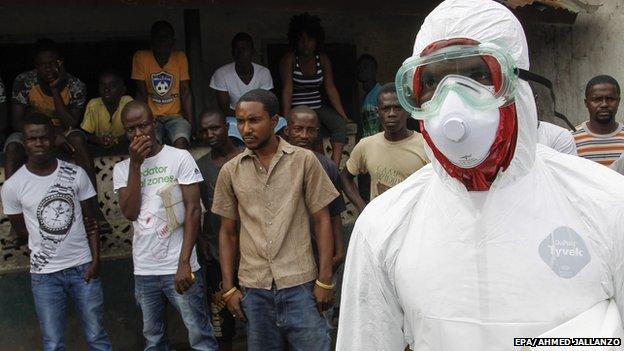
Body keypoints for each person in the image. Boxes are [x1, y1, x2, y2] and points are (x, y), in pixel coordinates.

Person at [337, 1, 624, 350]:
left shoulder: (607, 204)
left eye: (477, 75)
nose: (453, 98)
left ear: (517, 85)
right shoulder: (385, 224)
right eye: (432, 81)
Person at [212, 89, 338, 351]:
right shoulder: (230, 171)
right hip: (254, 289)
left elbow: (322, 220)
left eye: (254, 120)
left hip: (300, 285)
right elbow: (227, 232)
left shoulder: (304, 161)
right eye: (240, 121)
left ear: (274, 121)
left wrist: (325, 279)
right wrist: (228, 288)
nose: (246, 128)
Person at [113, 101, 218, 350]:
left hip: (180, 265)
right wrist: (136, 165)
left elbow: (193, 211)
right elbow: (129, 212)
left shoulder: (179, 157)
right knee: (154, 339)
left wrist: (184, 263)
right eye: (131, 129)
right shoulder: (122, 169)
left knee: (200, 336)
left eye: (143, 126)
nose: (139, 134)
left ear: (154, 125)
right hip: (145, 269)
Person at [1, 113, 111, 351]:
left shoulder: (76, 173)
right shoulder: (12, 186)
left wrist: (96, 260)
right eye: (32, 139)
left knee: (97, 337)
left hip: (83, 268)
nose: (39, 144)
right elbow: (21, 230)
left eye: (44, 138)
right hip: (44, 276)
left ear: (54, 139)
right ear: (24, 142)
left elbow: (91, 220)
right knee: (53, 343)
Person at [5, 39, 95, 188]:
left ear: (61, 63)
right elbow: (16, 122)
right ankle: (12, 202)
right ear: (36, 66)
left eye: (53, 63)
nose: (48, 68)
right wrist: (51, 136)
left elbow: (71, 123)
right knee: (13, 148)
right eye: (43, 64)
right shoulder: (24, 82)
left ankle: (91, 197)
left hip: (63, 131)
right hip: (30, 133)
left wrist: (54, 89)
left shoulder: (76, 85)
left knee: (78, 139)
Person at [340, 83, 429, 213]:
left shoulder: (425, 145)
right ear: (377, 112)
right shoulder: (366, 145)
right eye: (386, 109)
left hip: (414, 223)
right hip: (379, 224)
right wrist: (363, 210)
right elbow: (345, 177)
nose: (391, 114)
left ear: (408, 111)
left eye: (398, 108)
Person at [195, 108, 242, 351]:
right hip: (216, 250)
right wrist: (200, 239)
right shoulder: (201, 166)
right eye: (204, 131)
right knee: (221, 322)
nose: (210, 134)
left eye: (214, 128)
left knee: (259, 317)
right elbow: (195, 208)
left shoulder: (247, 157)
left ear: (226, 126)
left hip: (251, 251)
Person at [280, 13, 351, 166]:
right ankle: (321, 167)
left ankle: (333, 167)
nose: (305, 43)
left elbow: (330, 88)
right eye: (301, 39)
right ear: (295, 40)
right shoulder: (290, 59)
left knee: (339, 125)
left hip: (318, 106)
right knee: (314, 131)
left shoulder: (322, 59)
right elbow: (287, 89)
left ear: (317, 40)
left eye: (310, 39)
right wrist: (286, 117)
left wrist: (344, 116)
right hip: (299, 108)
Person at [284, 105, 346, 268]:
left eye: (310, 130)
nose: (304, 135)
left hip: (318, 253)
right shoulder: (275, 164)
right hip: (285, 256)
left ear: (317, 133)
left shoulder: (327, 166)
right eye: (298, 129)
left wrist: (339, 251)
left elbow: (335, 212)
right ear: (287, 130)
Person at [132, 20, 193, 149]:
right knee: (151, 145)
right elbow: (141, 94)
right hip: (151, 117)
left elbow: (185, 93)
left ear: (173, 42)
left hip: (175, 117)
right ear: (151, 41)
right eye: (158, 38)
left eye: (165, 38)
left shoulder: (180, 58)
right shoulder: (141, 58)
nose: (161, 42)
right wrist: (143, 123)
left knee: (181, 141)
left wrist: (191, 125)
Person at [210, 32, 274, 117]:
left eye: (244, 49)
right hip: (233, 117)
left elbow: (266, 104)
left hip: (258, 116)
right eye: (237, 49)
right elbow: (224, 109)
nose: (240, 53)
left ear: (253, 52)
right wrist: (243, 119)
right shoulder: (222, 74)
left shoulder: (263, 73)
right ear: (232, 53)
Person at [573, 75, 624, 166]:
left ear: (618, 101)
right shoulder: (571, 139)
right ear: (586, 103)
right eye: (597, 99)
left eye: (610, 99)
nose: (604, 104)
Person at [81, 69, 133, 148]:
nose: (106, 89)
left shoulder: (128, 103)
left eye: (112, 85)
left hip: (125, 146)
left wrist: (116, 140)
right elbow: (86, 134)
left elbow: (135, 131)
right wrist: (100, 140)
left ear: (123, 90)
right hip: (100, 147)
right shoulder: (93, 105)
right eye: (103, 85)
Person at [356, 54, 382, 138]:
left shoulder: (380, 93)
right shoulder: (367, 95)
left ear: (374, 70)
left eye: (365, 67)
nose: (361, 70)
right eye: (359, 67)